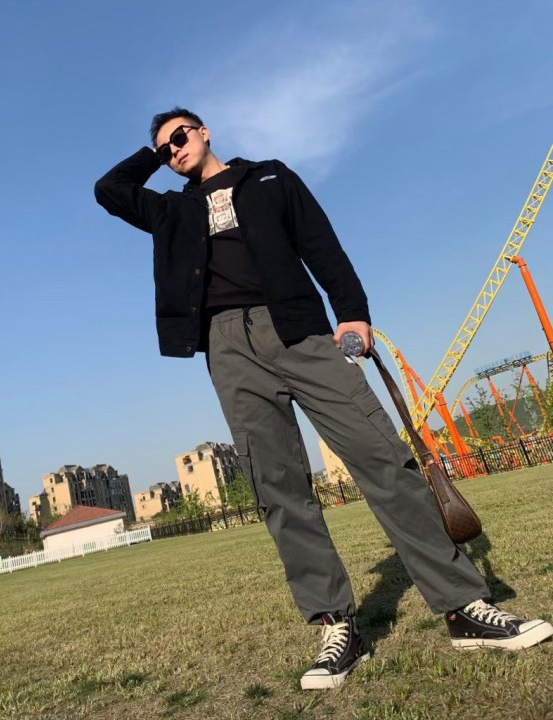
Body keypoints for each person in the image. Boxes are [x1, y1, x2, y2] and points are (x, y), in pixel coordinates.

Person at [94, 107, 553, 689]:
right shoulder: (171, 209)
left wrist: (352, 313)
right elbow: (110, 190)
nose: (173, 149)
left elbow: (320, 243)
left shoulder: (269, 176)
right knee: (279, 489)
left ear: (205, 131)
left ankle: (464, 606)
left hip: (298, 330)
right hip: (226, 346)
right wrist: (155, 156)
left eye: (180, 136)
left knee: (382, 457)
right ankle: (337, 627)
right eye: (164, 147)